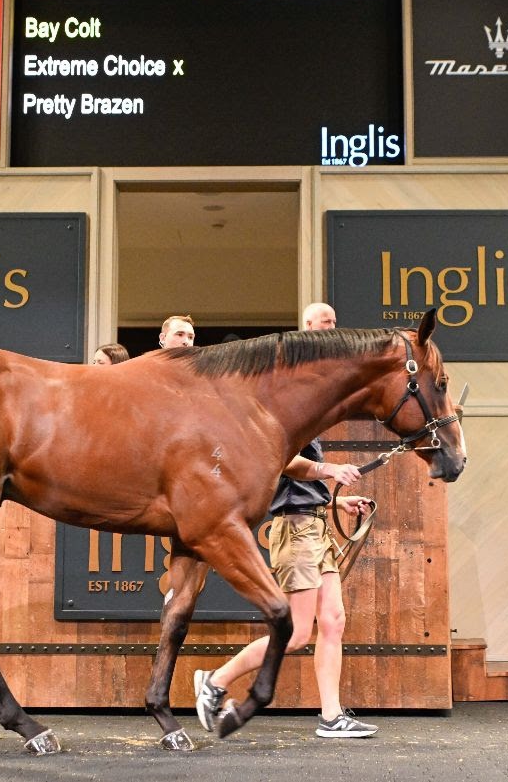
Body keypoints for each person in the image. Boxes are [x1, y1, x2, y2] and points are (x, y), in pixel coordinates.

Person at [194, 302, 379, 738]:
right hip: (294, 528)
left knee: (333, 621)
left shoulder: (308, 406)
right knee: (296, 633)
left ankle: (331, 717)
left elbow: (302, 472)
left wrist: (341, 501)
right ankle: (216, 682)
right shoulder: (275, 403)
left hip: (314, 523)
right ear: (306, 330)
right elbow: (279, 459)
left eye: (335, 322)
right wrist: (329, 471)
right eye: (323, 324)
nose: (331, 329)